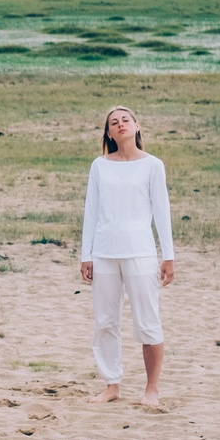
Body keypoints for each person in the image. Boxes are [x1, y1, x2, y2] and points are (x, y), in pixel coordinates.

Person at [79, 105, 175, 406]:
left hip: (140, 252)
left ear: (137, 126)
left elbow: (162, 213)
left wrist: (168, 256)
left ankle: (151, 389)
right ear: (108, 133)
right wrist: (87, 255)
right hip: (105, 252)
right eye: (114, 122)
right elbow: (91, 212)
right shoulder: (100, 165)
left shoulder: (152, 165)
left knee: (147, 321)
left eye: (125, 120)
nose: (120, 124)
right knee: (105, 322)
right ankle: (112, 384)